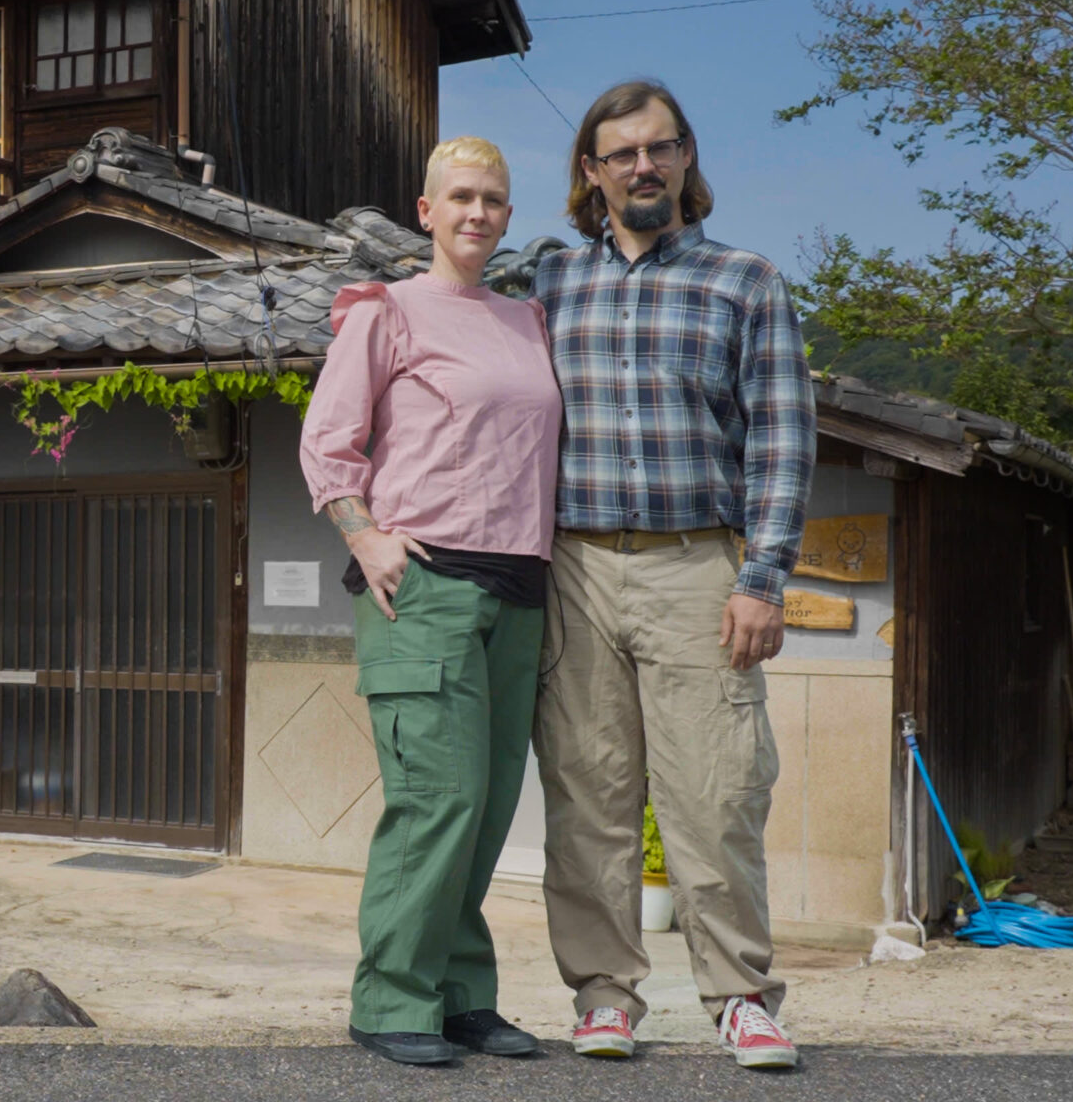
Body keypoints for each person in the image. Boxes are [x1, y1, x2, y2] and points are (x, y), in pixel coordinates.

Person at [528, 79, 815, 1071]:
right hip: (572, 565)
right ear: (591, 172)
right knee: (586, 790)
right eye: (621, 153)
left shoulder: (745, 281)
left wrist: (763, 575)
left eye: (660, 148)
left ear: (686, 157)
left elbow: (781, 438)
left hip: (700, 564)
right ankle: (604, 995)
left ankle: (739, 996)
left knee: (716, 788)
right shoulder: (548, 284)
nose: (642, 166)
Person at [298, 135, 562, 1069]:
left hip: (521, 589)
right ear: (425, 210)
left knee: (486, 808)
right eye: (460, 197)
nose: (477, 213)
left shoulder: (526, 320)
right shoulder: (387, 310)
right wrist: (363, 532)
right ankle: (391, 997)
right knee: (437, 799)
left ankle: (460, 996)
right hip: (428, 584)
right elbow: (329, 438)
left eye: (493, 198)